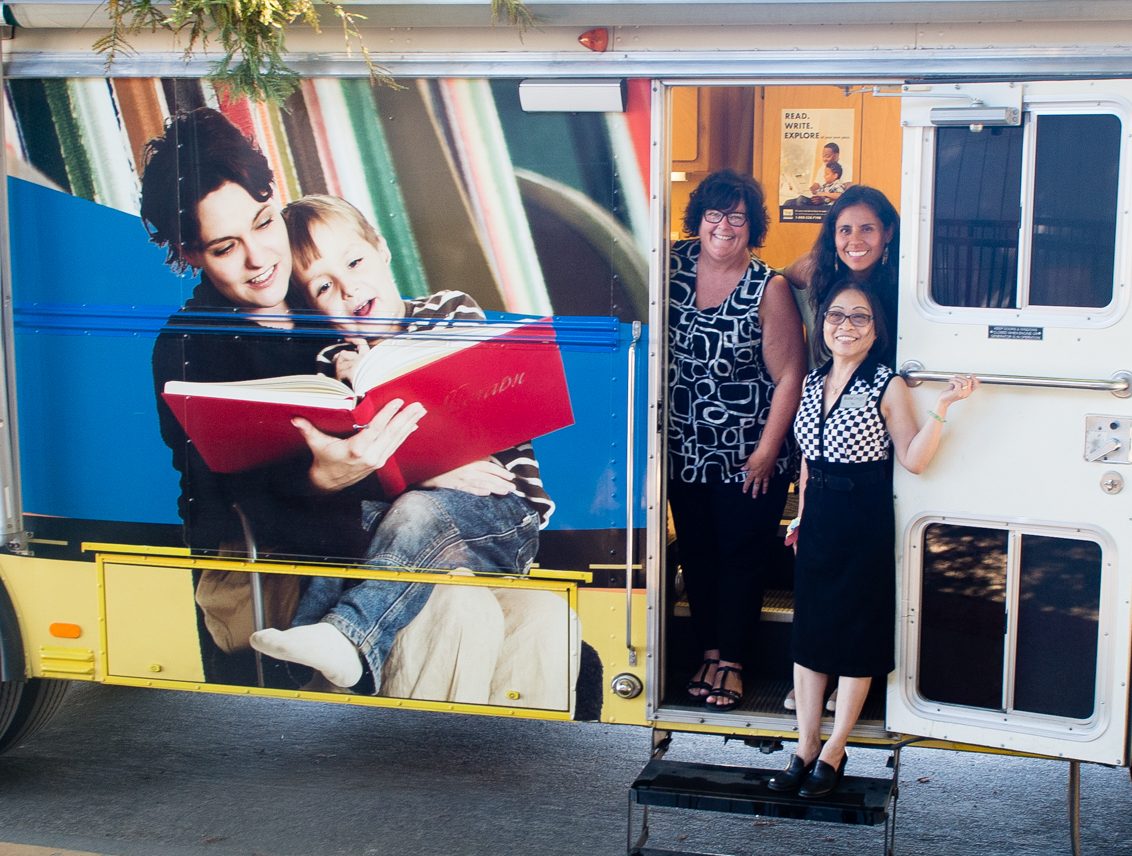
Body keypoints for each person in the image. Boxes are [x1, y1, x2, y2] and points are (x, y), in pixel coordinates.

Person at [142, 109, 541, 697]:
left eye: (263, 222)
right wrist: (329, 479)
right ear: (190, 253)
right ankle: (342, 688)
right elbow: (230, 502)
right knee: (457, 612)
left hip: (402, 525)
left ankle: (498, 776)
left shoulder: (324, 308)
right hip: (279, 548)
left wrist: (425, 464)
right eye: (227, 247)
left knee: (541, 622)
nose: (259, 258)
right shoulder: (190, 346)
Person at [246, 194, 553, 689]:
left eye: (354, 261)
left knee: (414, 510)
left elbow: (472, 420)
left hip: (499, 517)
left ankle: (345, 637)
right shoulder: (332, 362)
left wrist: (382, 376)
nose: (348, 286)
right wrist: (352, 384)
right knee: (354, 528)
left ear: (382, 250)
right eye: (324, 286)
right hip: (407, 522)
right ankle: (312, 652)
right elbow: (357, 475)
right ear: (312, 307)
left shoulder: (448, 312)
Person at [768, 281, 978, 798]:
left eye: (859, 317)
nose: (845, 325)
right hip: (819, 520)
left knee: (856, 634)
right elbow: (808, 464)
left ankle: (835, 751)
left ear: (876, 329)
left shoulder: (888, 385)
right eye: (836, 315)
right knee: (810, 635)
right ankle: (804, 748)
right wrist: (800, 519)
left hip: (862, 517)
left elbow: (913, 458)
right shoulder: (813, 381)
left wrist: (944, 407)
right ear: (823, 325)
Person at [667, 169, 806, 711]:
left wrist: (769, 450)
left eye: (738, 217)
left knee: (742, 557)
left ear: (753, 227)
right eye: (714, 214)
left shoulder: (766, 286)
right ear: (699, 219)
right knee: (698, 556)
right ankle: (708, 650)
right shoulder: (672, 267)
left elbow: (789, 375)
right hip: (682, 449)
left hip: (749, 451)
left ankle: (733, 661)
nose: (724, 226)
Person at [781, 184, 902, 714]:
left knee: (863, 583)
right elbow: (783, 276)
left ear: (888, 234)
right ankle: (817, 682)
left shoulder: (902, 285)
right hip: (833, 418)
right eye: (844, 229)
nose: (855, 240)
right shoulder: (820, 277)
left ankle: (855, 684)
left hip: (887, 420)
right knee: (824, 582)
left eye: (867, 229)